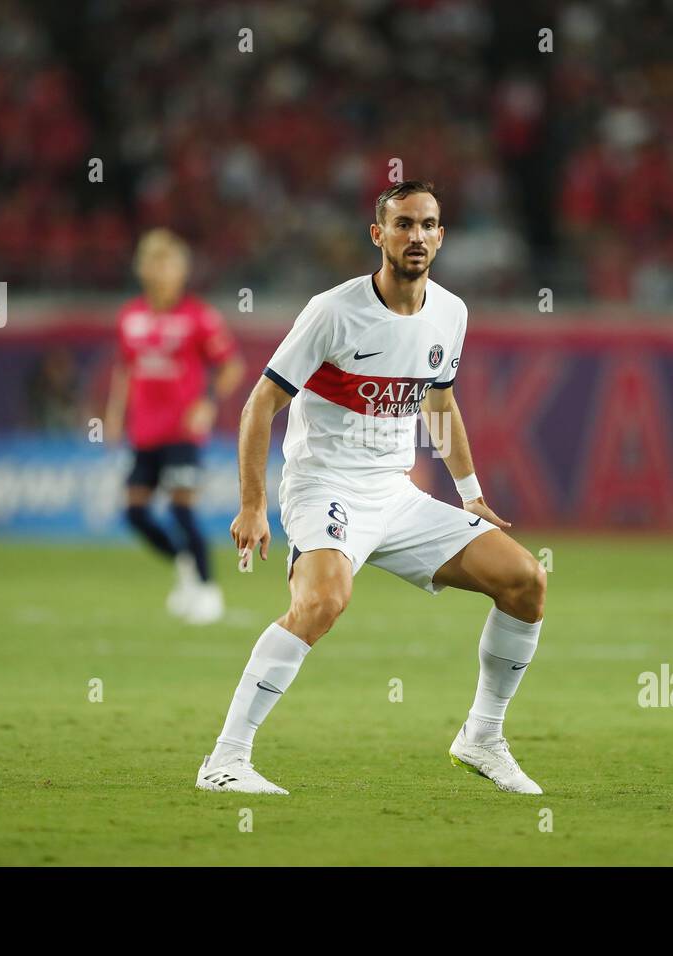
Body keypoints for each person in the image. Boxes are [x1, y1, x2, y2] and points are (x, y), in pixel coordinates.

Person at [196, 181, 547, 796]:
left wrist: (469, 493)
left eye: (429, 225)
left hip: (397, 494)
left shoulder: (451, 313)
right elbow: (259, 406)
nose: (417, 236)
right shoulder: (333, 311)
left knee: (525, 580)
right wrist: (252, 504)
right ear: (378, 234)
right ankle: (225, 760)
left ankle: (482, 736)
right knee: (323, 602)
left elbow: (439, 403)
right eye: (404, 224)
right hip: (323, 486)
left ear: (442, 235)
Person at [106, 229, 245, 625]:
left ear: (181, 271)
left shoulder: (198, 317)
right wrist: (115, 414)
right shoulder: (130, 317)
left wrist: (207, 403)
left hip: (183, 431)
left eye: (169, 263)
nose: (162, 271)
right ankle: (185, 563)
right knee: (134, 513)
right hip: (144, 432)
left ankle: (207, 589)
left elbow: (231, 367)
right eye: (155, 262)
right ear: (143, 268)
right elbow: (124, 368)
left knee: (182, 507)